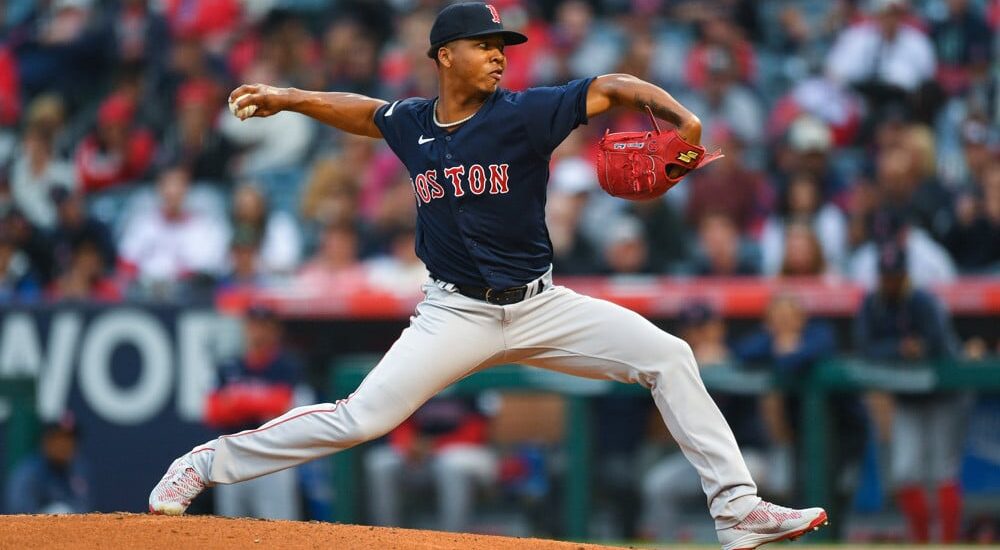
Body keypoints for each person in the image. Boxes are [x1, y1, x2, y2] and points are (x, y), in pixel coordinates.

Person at [149, 5, 827, 548]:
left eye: (504, 43)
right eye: (485, 43)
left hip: (542, 303)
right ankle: (204, 465)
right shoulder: (414, 123)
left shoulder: (524, 114)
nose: (500, 52)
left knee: (669, 356)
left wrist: (681, 116)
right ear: (446, 55)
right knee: (362, 418)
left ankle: (737, 510)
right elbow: (361, 111)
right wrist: (289, 97)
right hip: (455, 316)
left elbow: (612, 87)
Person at [854, 242, 968, 543]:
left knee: (942, 470)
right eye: (886, 275)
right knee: (906, 470)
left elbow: (941, 346)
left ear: (905, 274)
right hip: (907, 398)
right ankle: (919, 544)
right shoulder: (873, 303)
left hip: (944, 394)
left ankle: (947, 543)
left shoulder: (922, 301)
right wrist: (899, 349)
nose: (890, 281)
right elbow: (864, 347)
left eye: (896, 275)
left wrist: (919, 348)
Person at [640, 302, 772, 542]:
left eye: (704, 328)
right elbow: (661, 430)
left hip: (746, 456)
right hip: (699, 463)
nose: (697, 335)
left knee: (738, 487)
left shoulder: (742, 356)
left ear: (718, 328)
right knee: (658, 485)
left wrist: (726, 365)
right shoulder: (677, 366)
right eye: (691, 329)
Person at [203, 305, 303, 520]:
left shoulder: (286, 366)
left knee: (276, 527)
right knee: (230, 529)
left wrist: (237, 400)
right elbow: (212, 411)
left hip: (272, 456)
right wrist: (258, 402)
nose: (258, 331)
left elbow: (282, 406)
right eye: (253, 325)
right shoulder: (229, 365)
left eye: (264, 326)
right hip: (232, 454)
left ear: (275, 330)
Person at [363, 396, 496, 532]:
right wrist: (408, 443)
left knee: (450, 464)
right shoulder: (414, 379)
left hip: (467, 452)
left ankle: (451, 540)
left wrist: (434, 445)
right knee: (380, 462)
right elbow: (398, 419)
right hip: (421, 456)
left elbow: (480, 428)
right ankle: (385, 538)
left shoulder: (469, 380)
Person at [4, 415, 91, 514]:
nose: (64, 446)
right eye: (59, 439)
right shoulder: (29, 473)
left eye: (69, 440)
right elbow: (20, 515)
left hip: (73, 527)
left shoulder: (78, 470)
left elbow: (83, 507)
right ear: (46, 442)